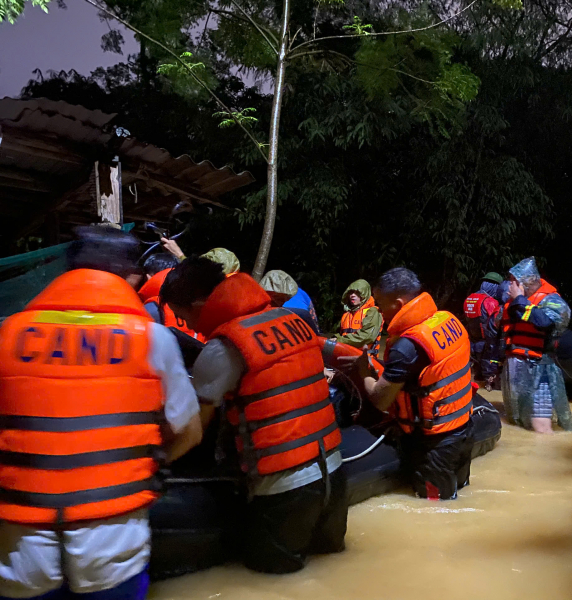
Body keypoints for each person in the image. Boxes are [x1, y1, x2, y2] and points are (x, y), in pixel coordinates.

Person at [0, 227, 202, 600]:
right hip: (112, 545)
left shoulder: (8, 333)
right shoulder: (151, 338)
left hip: (22, 549)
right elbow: (190, 431)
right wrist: (149, 469)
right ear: (132, 277)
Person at [160, 257, 346, 574]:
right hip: (333, 474)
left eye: (183, 316)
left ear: (198, 304)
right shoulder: (290, 319)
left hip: (285, 489)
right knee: (332, 571)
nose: (187, 326)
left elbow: (193, 432)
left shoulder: (224, 348)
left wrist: (154, 464)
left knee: (272, 582)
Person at [341, 268, 474, 500]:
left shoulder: (406, 347)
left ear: (399, 304)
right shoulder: (446, 320)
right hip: (463, 428)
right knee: (456, 494)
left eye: (380, 303)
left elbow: (381, 399)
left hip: (435, 444)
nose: (378, 309)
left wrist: (364, 372)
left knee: (434, 505)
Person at [501, 257, 572, 433]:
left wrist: (520, 299)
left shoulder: (552, 300)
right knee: (517, 421)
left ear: (526, 283)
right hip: (516, 369)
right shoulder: (514, 301)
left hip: (540, 369)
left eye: (514, 282)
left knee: (541, 425)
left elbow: (545, 322)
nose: (510, 286)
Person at [462, 272, 504, 387]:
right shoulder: (490, 301)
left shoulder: (469, 298)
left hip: (472, 342)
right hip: (487, 344)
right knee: (487, 376)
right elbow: (494, 323)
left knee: (474, 372)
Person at [336, 279, 383, 350]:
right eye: (351, 293)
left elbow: (367, 337)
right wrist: (334, 338)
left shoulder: (372, 312)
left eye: (357, 293)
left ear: (364, 295)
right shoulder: (347, 314)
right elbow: (339, 333)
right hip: (345, 353)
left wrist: (339, 340)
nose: (352, 295)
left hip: (363, 356)